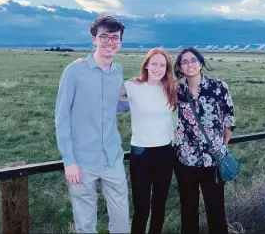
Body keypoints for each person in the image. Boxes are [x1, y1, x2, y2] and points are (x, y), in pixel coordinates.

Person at [55, 15, 130, 233]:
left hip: (112, 157)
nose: (109, 42)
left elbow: (111, 105)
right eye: (104, 36)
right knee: (85, 223)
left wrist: (139, 101)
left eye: (114, 38)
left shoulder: (118, 71)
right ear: (94, 39)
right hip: (81, 161)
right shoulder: (74, 71)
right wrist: (69, 161)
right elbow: (62, 117)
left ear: (120, 42)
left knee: (121, 220)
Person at [173, 47, 236, 234]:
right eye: (184, 61)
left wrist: (221, 145)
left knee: (216, 210)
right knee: (188, 210)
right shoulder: (176, 90)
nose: (190, 64)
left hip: (212, 161)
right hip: (185, 161)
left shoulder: (218, 87)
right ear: (180, 67)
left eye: (193, 60)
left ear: (201, 63)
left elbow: (229, 119)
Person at [121, 48, 177, 234]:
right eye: (154, 63)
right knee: (142, 207)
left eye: (162, 65)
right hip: (141, 153)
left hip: (165, 153)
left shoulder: (170, 88)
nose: (157, 68)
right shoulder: (132, 86)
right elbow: (104, 93)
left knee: (159, 204)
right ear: (146, 65)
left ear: (167, 68)